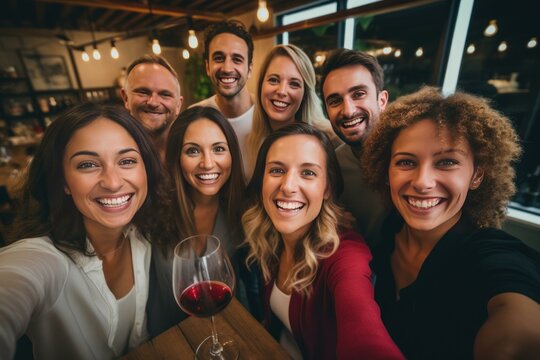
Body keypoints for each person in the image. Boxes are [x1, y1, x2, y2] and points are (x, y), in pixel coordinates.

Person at [362, 86, 540, 359]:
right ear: (386, 171)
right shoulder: (389, 231)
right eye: (406, 162)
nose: (422, 182)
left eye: (446, 162)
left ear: (477, 175)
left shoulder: (487, 253)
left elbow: (518, 327)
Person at [0, 103, 173, 359]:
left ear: (145, 169)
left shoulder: (143, 236)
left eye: (126, 161)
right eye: (87, 165)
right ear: (64, 182)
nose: (113, 183)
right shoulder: (45, 260)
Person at [242, 123, 404, 360]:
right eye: (277, 170)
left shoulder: (345, 255)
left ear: (328, 188)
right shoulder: (269, 236)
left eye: (308, 172)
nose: (287, 187)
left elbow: (363, 327)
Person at [146, 106, 260, 336]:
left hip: (224, 332)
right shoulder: (151, 209)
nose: (208, 163)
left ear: (232, 155)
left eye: (218, 149)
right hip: (165, 341)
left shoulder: (243, 212)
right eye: (193, 151)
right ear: (176, 157)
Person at [320, 48, 389, 247]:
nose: (348, 110)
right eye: (335, 101)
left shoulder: (413, 155)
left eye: (358, 94)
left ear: (382, 100)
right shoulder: (332, 166)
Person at [246, 44, 336, 178]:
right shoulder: (251, 142)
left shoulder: (330, 139)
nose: (282, 91)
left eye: (294, 84)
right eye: (274, 80)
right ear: (260, 86)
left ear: (305, 93)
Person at [191, 20, 254, 177]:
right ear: (207, 67)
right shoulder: (195, 116)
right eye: (219, 58)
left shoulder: (268, 115)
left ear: (250, 69)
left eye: (237, 59)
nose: (227, 68)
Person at [121, 54, 184, 160]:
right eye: (143, 92)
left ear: (178, 105)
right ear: (126, 98)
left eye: (165, 94)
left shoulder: (191, 153)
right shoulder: (111, 152)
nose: (153, 103)